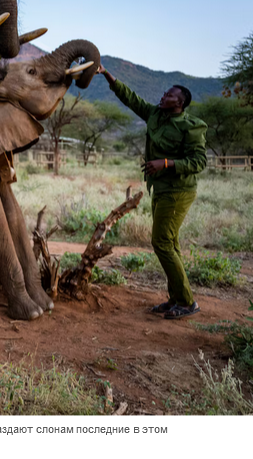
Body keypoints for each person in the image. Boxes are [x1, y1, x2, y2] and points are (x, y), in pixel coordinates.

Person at [98, 64, 207, 319]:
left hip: (179, 191)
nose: (163, 96)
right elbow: (130, 98)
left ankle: (188, 302)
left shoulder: (192, 126)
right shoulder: (155, 115)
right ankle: (177, 298)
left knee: (160, 242)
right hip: (159, 189)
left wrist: (166, 163)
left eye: (170, 95)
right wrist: (106, 74)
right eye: (165, 93)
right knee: (171, 243)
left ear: (180, 103)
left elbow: (199, 162)